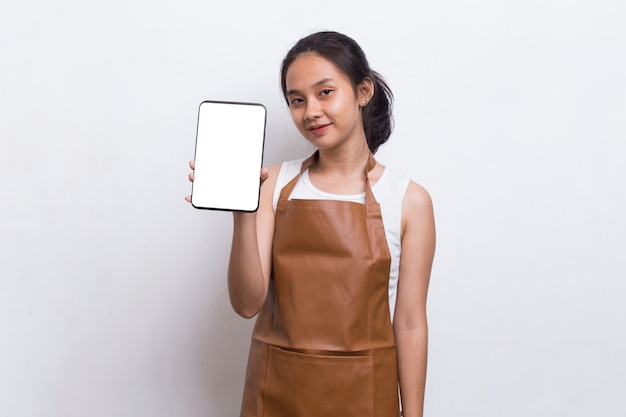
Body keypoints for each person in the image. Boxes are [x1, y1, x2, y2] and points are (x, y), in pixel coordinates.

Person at [186, 31, 435, 417]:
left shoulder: (408, 199)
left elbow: (409, 322)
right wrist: (242, 215)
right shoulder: (272, 185)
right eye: (296, 100)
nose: (310, 112)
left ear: (363, 91)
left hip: (366, 396)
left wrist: (413, 414)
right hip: (275, 393)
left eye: (325, 92)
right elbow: (247, 304)